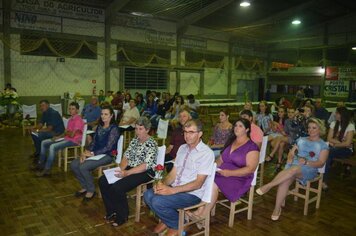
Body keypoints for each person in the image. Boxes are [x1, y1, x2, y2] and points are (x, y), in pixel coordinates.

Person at [144, 120, 214, 236]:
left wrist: (171, 190)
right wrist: (162, 184)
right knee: (148, 195)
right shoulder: (182, 148)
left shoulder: (206, 153)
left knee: (157, 201)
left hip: (192, 194)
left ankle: (177, 225)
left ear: (200, 133)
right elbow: (173, 174)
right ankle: (173, 222)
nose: (187, 135)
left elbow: (198, 184)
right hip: (176, 188)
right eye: (185, 132)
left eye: (191, 132)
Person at [256, 118, 329, 221]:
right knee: (284, 181)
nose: (311, 130)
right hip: (293, 166)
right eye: (309, 128)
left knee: (293, 169)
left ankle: (269, 185)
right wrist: (290, 156)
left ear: (320, 129)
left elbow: (321, 163)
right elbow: (292, 153)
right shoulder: (301, 140)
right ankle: (277, 209)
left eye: (314, 128)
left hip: (309, 169)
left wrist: (307, 162)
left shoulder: (323, 145)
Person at [189, 118, 259, 224]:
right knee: (206, 178)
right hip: (223, 173)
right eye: (235, 125)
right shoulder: (231, 141)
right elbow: (220, 159)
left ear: (247, 130)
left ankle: (202, 215)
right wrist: (211, 168)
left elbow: (250, 169)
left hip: (239, 178)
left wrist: (229, 173)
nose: (236, 128)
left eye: (240, 126)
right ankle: (200, 212)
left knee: (212, 183)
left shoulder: (251, 147)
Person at [98, 117, 158, 226]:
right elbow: (127, 156)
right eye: (136, 129)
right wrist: (120, 168)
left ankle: (122, 216)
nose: (137, 131)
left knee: (118, 187)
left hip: (145, 172)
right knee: (103, 181)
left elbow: (145, 165)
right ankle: (111, 211)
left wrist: (126, 173)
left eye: (140, 129)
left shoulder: (152, 143)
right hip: (131, 168)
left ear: (147, 130)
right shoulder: (135, 140)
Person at [71, 106, 120, 201]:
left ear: (111, 116)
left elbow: (108, 147)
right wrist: (85, 152)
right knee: (74, 164)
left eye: (106, 114)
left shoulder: (114, 129)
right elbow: (94, 142)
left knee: (83, 167)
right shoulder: (100, 127)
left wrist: (92, 153)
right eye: (102, 114)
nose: (103, 116)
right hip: (96, 154)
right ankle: (85, 186)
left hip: (108, 155)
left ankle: (91, 190)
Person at [33, 102, 85, 177]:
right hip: (67, 138)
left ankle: (47, 169)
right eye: (69, 109)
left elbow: (72, 135)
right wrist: (59, 137)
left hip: (74, 141)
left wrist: (67, 133)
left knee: (52, 147)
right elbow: (66, 132)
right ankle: (40, 164)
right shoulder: (70, 119)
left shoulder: (78, 120)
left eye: (73, 109)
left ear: (77, 110)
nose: (70, 110)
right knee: (44, 142)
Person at [324, 107, 354, 188]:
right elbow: (329, 138)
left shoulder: (350, 126)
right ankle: (323, 180)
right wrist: (342, 143)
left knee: (328, 151)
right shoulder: (334, 123)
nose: (335, 114)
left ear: (342, 115)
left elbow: (347, 144)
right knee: (326, 152)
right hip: (334, 149)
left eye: (337, 113)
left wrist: (335, 144)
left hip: (346, 151)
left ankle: (324, 181)